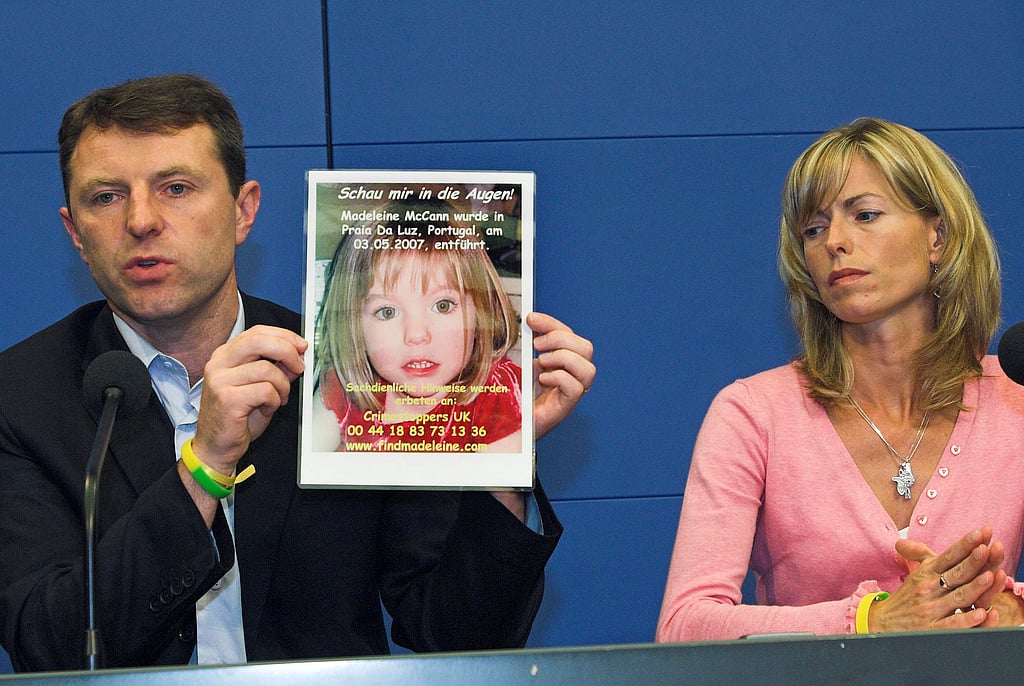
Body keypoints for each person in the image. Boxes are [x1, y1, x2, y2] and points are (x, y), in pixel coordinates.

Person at [0, 73, 596, 671]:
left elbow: (458, 637)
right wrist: (204, 467)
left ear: (243, 211)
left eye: (176, 188)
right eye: (106, 197)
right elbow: (51, 648)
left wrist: (499, 457)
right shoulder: (20, 397)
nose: (142, 220)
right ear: (75, 234)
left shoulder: (343, 379)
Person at [657, 117, 1024, 642]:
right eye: (814, 229)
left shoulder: (1014, 397)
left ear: (938, 237)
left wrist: (1009, 608)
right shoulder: (752, 414)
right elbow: (685, 626)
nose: (835, 241)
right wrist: (871, 620)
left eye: (865, 215)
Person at [311, 199, 523, 453]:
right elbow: (306, 467)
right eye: (387, 312)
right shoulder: (344, 388)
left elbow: (502, 479)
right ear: (354, 326)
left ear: (481, 311)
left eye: (442, 306)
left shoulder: (498, 393)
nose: (416, 334)